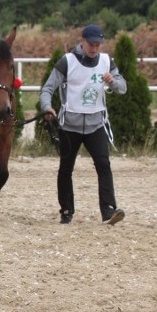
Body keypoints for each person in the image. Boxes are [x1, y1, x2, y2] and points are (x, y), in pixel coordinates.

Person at [39, 23, 127, 225]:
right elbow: (47, 89)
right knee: (66, 168)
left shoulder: (106, 61)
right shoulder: (67, 62)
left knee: (104, 165)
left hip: (96, 124)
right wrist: (46, 107)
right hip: (70, 125)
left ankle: (108, 210)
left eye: (98, 44)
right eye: (91, 44)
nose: (94, 49)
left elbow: (123, 87)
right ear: (82, 41)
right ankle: (67, 210)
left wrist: (112, 81)